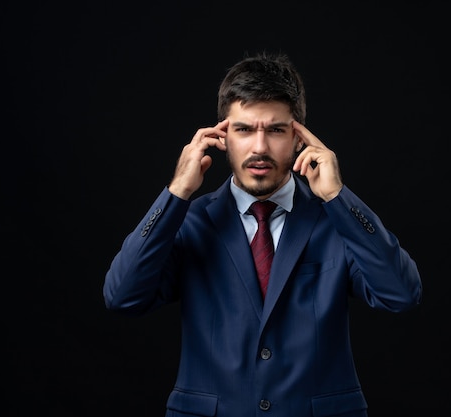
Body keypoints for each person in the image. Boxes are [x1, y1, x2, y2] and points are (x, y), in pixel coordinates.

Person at [103, 52, 422, 417]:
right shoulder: (189, 221)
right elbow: (122, 296)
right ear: (221, 135)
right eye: (243, 129)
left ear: (299, 137)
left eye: (275, 130)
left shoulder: (335, 219)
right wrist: (177, 191)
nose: (259, 147)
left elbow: (400, 294)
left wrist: (337, 197)